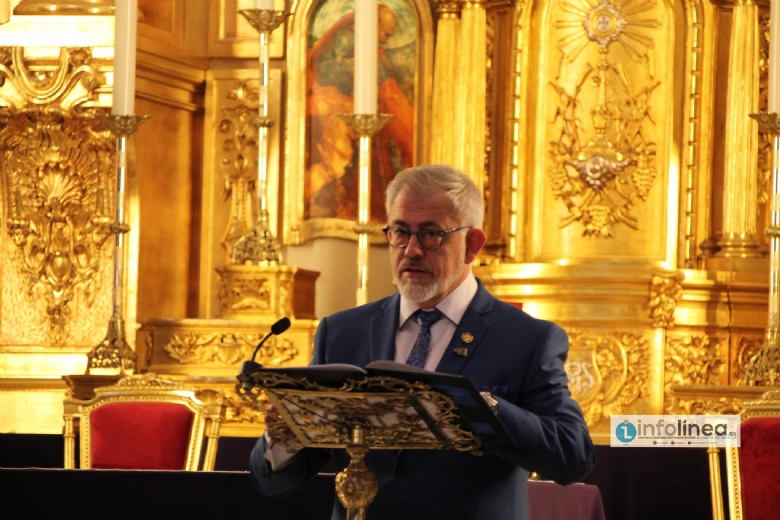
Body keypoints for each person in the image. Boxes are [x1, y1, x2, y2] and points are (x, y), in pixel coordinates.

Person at [249, 164, 596, 520]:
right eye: (400, 232)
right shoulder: (342, 332)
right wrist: (285, 437)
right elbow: (275, 484)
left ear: (472, 244)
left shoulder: (527, 339)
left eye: (431, 235)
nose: (412, 250)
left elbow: (573, 457)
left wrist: (486, 410)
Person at [306, 3, 414, 222]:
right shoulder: (345, 39)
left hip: (359, 108)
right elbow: (324, 69)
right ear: (373, 25)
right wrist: (352, 68)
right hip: (335, 103)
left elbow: (385, 83)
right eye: (385, 33)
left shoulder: (377, 52)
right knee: (339, 151)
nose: (387, 40)